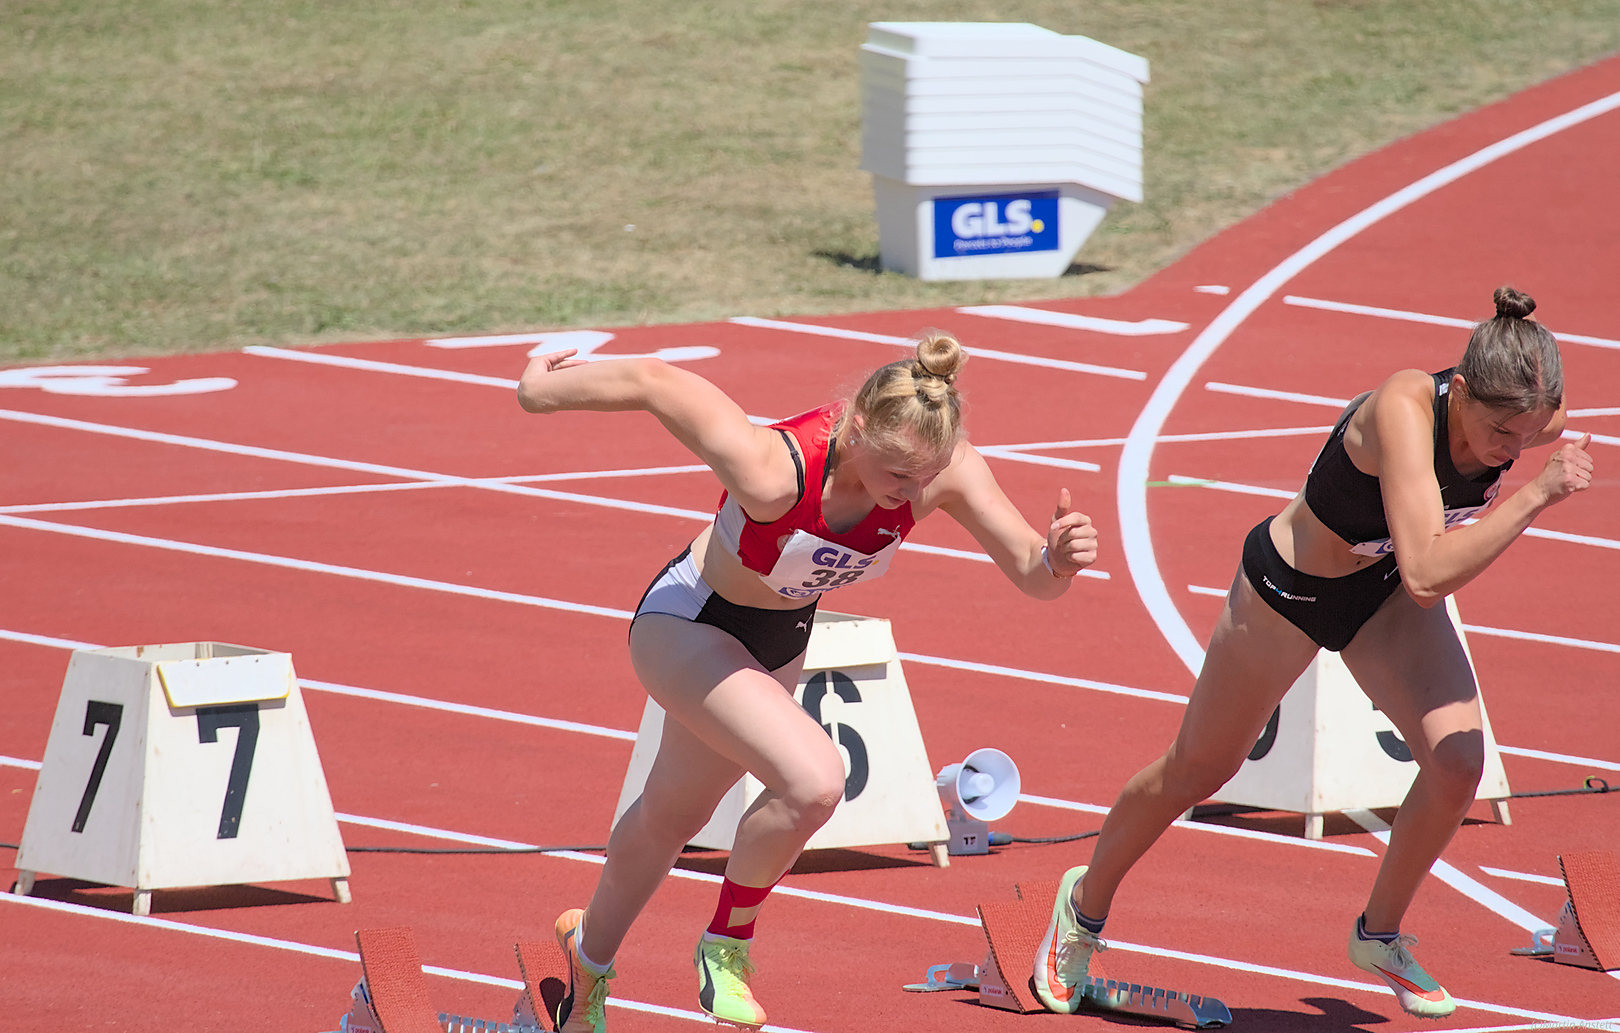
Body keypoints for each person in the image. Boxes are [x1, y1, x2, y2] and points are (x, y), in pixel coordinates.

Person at [1032, 286, 1593, 1019]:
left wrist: (1539, 445)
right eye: (1498, 433)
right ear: (1460, 389)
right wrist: (1535, 496)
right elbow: (1428, 574)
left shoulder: (1533, 412)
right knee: (1198, 769)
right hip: (1288, 591)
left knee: (1459, 761)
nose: (1510, 450)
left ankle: (1378, 933)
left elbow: (1415, 572)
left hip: (1379, 598)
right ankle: (1081, 909)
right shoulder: (1404, 408)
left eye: (1525, 437)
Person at [516, 329, 1098, 1032]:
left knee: (673, 814)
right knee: (816, 778)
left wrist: (1059, 560)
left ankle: (588, 961)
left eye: (925, 477)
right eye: (897, 476)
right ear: (856, 428)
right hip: (689, 621)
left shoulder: (945, 469)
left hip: (777, 641)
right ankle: (726, 945)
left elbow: (1033, 574)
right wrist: (537, 388)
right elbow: (657, 384)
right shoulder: (774, 468)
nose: (912, 495)